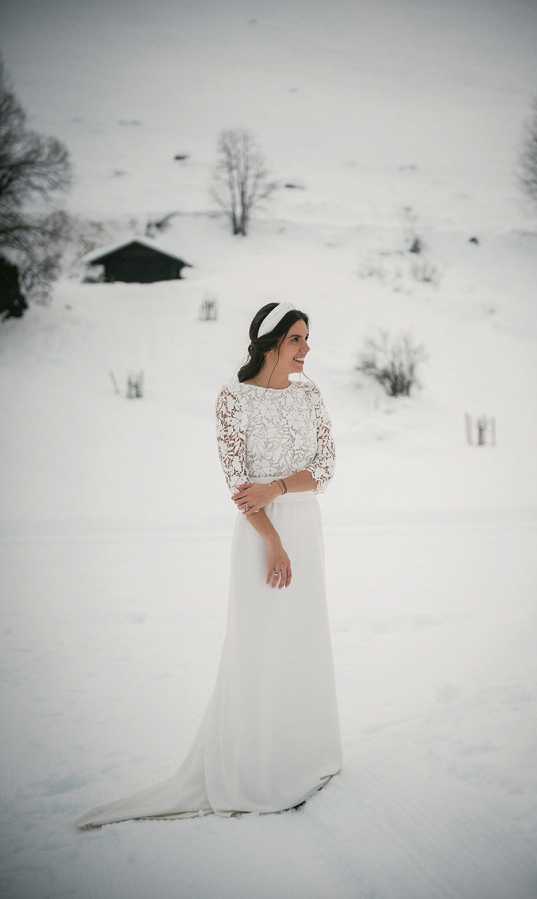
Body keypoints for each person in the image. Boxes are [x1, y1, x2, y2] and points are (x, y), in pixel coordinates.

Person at [74, 301, 343, 829]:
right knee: (258, 643)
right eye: (296, 339)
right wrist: (273, 539)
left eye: (307, 338)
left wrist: (281, 487)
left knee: (302, 639)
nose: (306, 349)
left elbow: (327, 468)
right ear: (269, 343)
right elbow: (239, 488)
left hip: (306, 528)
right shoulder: (232, 400)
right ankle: (255, 768)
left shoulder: (310, 393)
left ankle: (304, 755)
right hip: (262, 536)